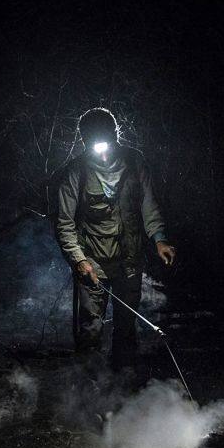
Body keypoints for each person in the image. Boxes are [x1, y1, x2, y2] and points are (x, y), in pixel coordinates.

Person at [54, 108, 176, 368]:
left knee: (126, 327)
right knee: (90, 330)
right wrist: (78, 261)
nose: (102, 147)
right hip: (92, 262)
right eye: (93, 141)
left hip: (130, 261)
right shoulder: (76, 171)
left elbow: (149, 206)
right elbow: (64, 222)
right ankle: (90, 392)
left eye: (106, 139)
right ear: (84, 140)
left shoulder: (135, 162)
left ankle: (124, 386)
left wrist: (160, 239)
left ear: (115, 134)